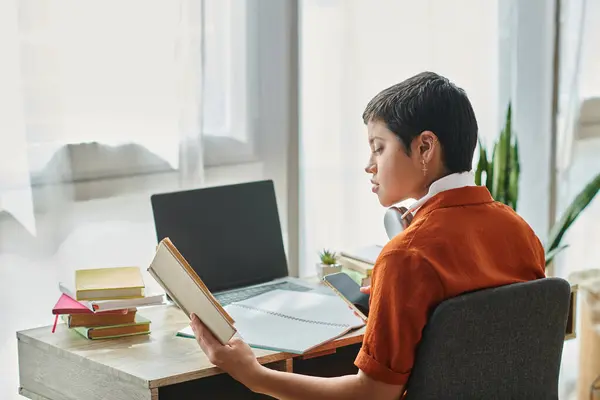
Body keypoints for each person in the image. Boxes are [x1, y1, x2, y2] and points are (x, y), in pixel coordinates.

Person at [189, 71, 546, 399]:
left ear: (425, 147)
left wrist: (253, 374)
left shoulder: (406, 256)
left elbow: (373, 396)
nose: (369, 164)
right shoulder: (520, 231)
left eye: (378, 147)